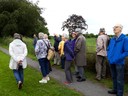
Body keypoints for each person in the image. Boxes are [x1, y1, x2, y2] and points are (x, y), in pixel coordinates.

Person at [107, 24, 128, 96]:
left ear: (120, 29)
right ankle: (115, 90)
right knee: (114, 77)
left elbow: (126, 51)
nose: (114, 28)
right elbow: (109, 48)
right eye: (113, 27)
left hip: (119, 62)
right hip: (111, 61)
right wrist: (109, 56)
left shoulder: (125, 39)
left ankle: (119, 93)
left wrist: (117, 58)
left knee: (119, 79)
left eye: (116, 27)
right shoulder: (112, 39)